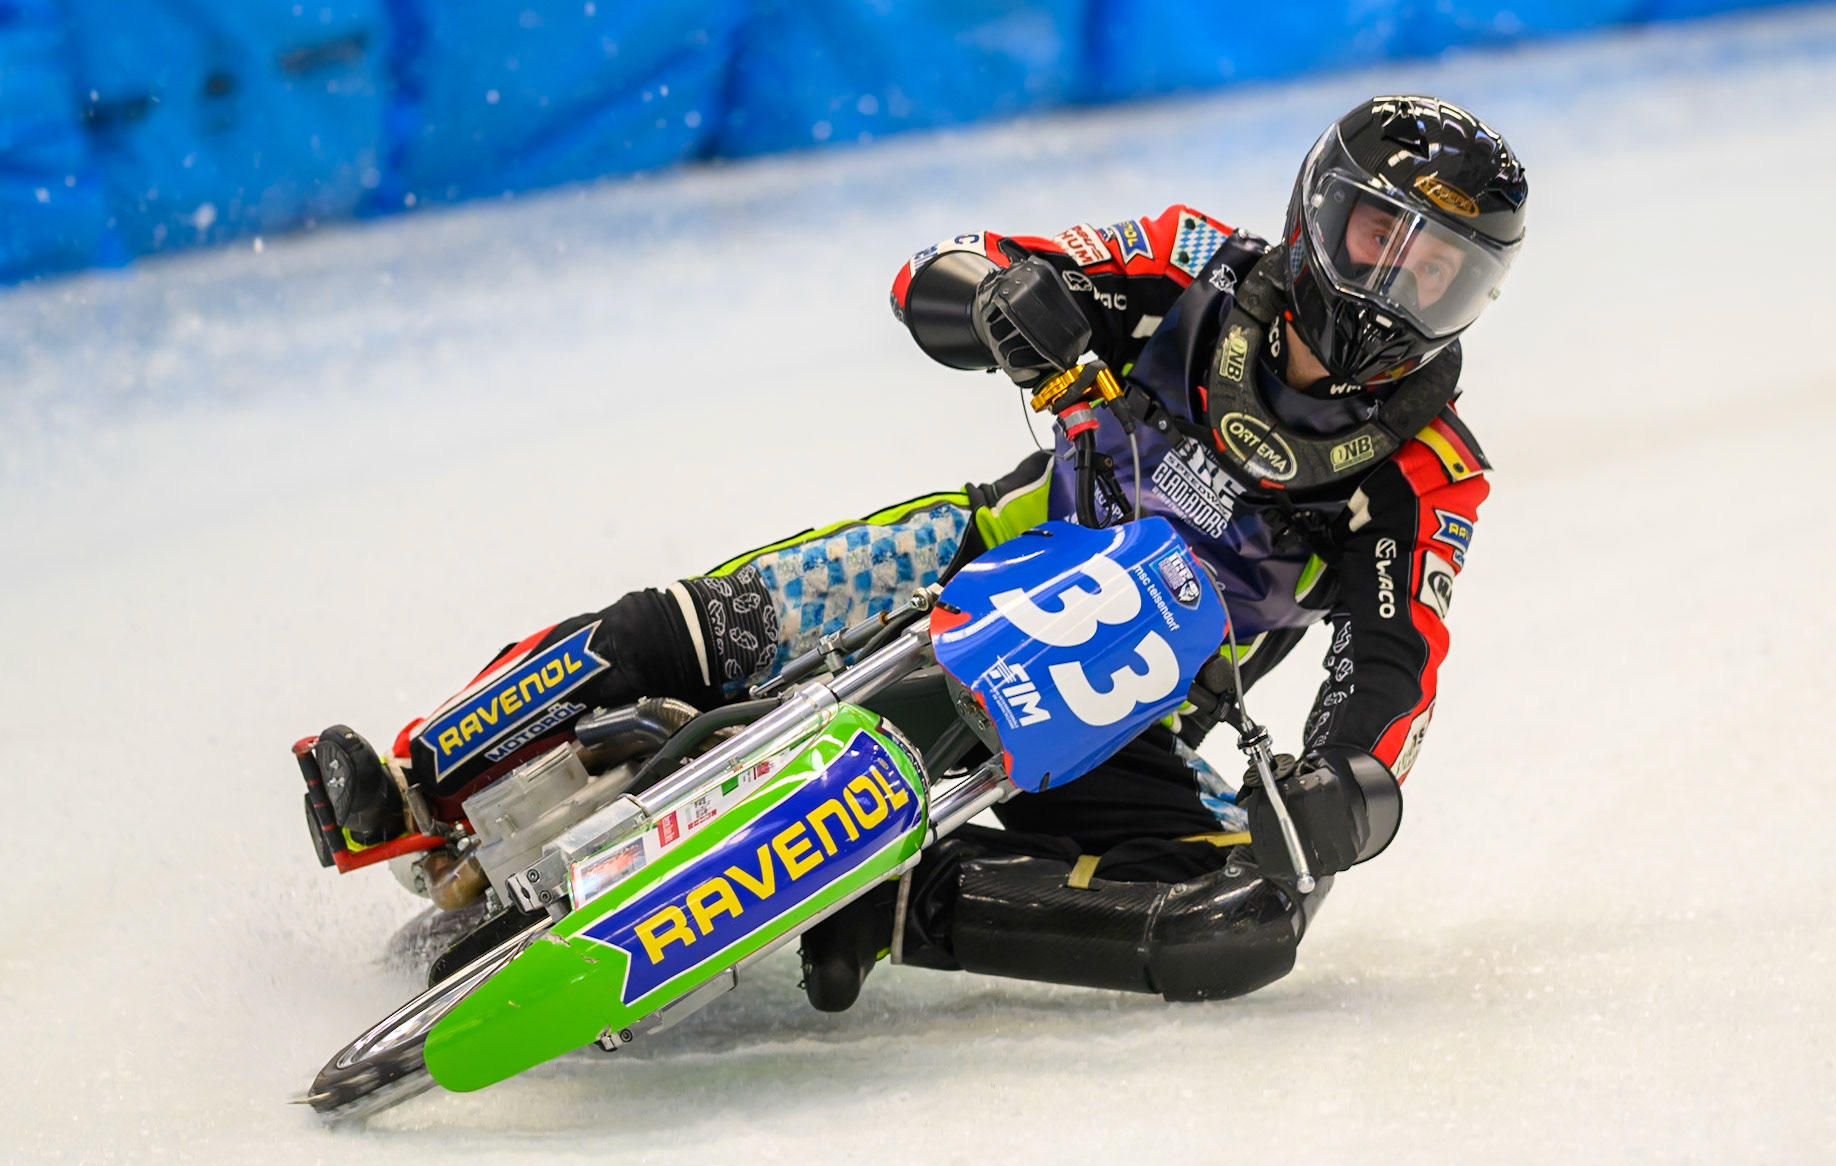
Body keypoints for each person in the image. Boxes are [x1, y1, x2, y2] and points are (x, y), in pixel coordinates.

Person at [304, 95, 1527, 1012]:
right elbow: (937, 267)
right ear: (1318, 215)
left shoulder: (1429, 470)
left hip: (1114, 698)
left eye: (1435, 274)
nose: (1389, 291)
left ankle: (893, 901)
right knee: (701, 619)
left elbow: (1394, 667)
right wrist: (1002, 299)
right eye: (1379, 239)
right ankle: (415, 783)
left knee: (1248, 926)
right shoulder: (1186, 262)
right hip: (975, 547)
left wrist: (1339, 794)